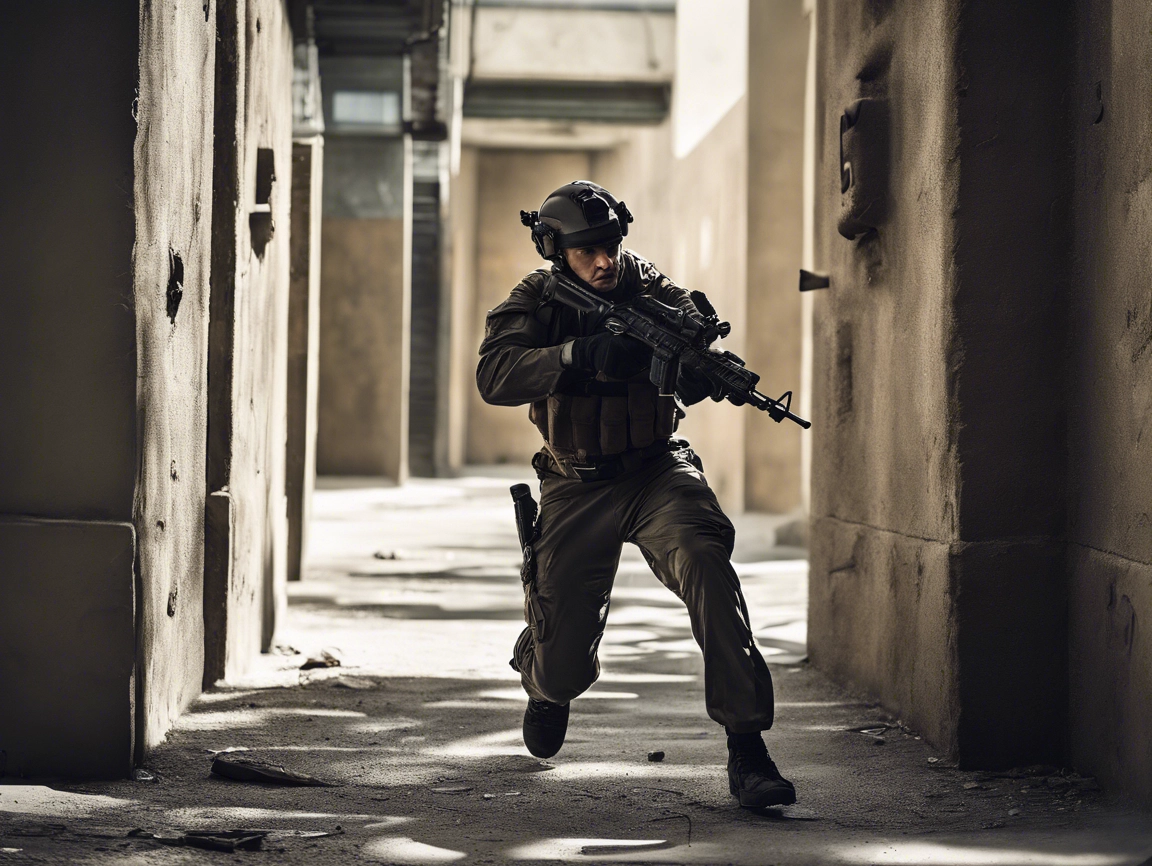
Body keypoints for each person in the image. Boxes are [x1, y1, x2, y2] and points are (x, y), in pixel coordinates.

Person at [475, 181, 796, 809]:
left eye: (610, 246)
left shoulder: (654, 293)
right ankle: (542, 671)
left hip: (656, 470)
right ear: (554, 249)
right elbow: (494, 375)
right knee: (563, 664)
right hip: (574, 480)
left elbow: (693, 345)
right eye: (586, 251)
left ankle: (747, 745)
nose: (602, 261)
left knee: (706, 563)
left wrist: (696, 371)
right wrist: (576, 353)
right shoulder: (537, 299)